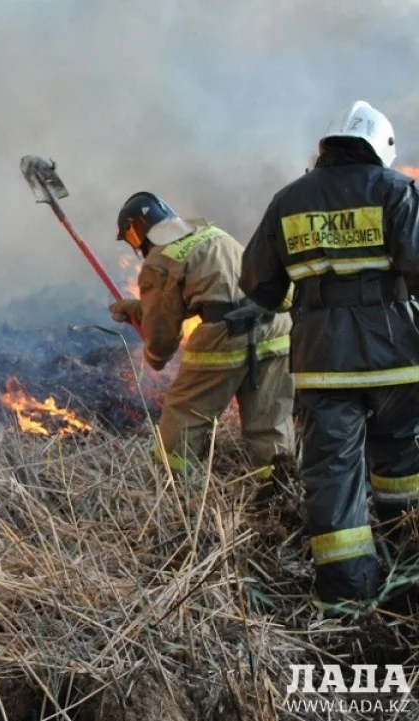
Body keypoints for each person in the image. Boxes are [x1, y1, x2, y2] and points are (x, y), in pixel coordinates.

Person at [240, 100, 419, 611]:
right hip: (398, 361)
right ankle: (407, 574)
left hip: (321, 364)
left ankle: (346, 602)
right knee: (403, 466)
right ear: (380, 147)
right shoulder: (397, 191)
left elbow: (259, 287)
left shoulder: (288, 200)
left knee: (333, 477)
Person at [109, 192, 295, 480]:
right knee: (270, 420)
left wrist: (155, 358)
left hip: (227, 336)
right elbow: (217, 290)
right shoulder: (211, 232)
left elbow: (163, 333)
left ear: (137, 236)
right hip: (275, 327)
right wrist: (138, 308)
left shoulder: (158, 260)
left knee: (184, 412)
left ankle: (173, 488)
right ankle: (280, 489)